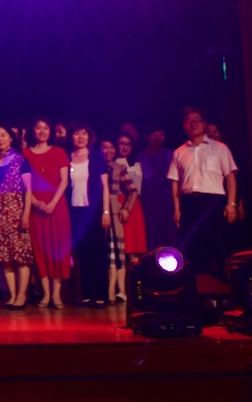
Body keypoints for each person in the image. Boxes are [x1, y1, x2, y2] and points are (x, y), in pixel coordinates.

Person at [169, 107, 238, 280]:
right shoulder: (179, 152)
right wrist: (177, 209)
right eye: (189, 121)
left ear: (204, 123)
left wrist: (231, 204)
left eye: (197, 120)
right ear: (184, 126)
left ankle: (225, 287)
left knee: (218, 247)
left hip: (213, 202)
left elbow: (230, 176)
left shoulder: (220, 148)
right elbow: (175, 182)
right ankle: (201, 290)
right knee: (194, 249)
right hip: (189, 202)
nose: (193, 124)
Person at [23, 118, 72, 309]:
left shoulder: (59, 152)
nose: (42, 131)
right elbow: (23, 183)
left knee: (58, 247)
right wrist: (35, 202)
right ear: (33, 131)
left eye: (46, 128)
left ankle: (57, 294)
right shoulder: (25, 153)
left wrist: (52, 203)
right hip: (35, 205)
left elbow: (64, 181)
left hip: (57, 205)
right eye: (38, 128)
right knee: (40, 247)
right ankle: (45, 294)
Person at [0, 124, 34, 310]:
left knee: (21, 256)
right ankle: (12, 296)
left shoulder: (21, 160)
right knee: (5, 257)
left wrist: (26, 214)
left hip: (16, 210)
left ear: (11, 137)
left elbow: (28, 190)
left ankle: (22, 295)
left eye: (3, 135)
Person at [66, 123, 109, 308]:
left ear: (89, 137)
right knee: (81, 253)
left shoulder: (96, 156)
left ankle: (101, 294)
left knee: (97, 252)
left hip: (94, 211)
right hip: (75, 212)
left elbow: (105, 186)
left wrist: (106, 211)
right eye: (77, 134)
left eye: (84, 134)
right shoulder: (67, 157)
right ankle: (86, 293)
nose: (80, 137)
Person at [108, 134, 145, 303]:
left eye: (128, 144)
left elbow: (136, 189)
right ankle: (119, 289)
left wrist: (128, 208)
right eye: (121, 143)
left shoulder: (137, 163)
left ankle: (135, 291)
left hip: (134, 207)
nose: (124, 147)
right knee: (121, 250)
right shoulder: (112, 164)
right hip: (119, 204)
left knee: (134, 252)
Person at [138, 124, 178, 250]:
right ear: (146, 137)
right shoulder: (140, 157)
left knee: (170, 234)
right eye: (155, 135)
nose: (158, 138)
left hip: (168, 201)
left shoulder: (170, 154)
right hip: (149, 202)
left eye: (161, 135)